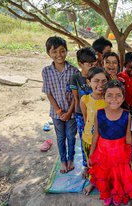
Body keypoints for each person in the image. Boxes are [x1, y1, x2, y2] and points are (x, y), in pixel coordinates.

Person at [88, 80, 132, 206]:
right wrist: (91, 154)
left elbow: (128, 137)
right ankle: (107, 194)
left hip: (120, 154)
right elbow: (95, 136)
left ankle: (117, 196)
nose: (114, 99)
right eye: (109, 95)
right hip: (102, 153)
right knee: (105, 175)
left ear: (123, 97)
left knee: (118, 177)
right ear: (104, 96)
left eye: (118, 95)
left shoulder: (127, 115)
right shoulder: (99, 113)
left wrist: (130, 156)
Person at [42, 36, 78, 173]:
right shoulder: (46, 71)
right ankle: (63, 161)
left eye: (62, 51)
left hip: (72, 112)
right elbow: (48, 92)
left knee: (70, 136)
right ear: (49, 53)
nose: (59, 55)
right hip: (56, 113)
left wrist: (69, 112)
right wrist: (58, 111)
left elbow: (76, 96)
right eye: (54, 52)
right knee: (61, 137)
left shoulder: (74, 71)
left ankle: (71, 160)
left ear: (66, 51)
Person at [80, 67, 109, 194]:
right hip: (88, 139)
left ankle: (104, 182)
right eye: (96, 81)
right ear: (88, 82)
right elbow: (87, 120)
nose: (100, 85)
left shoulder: (109, 101)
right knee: (91, 162)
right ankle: (92, 182)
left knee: (103, 164)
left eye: (104, 81)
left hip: (104, 141)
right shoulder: (84, 100)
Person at [70, 47, 96, 145]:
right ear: (80, 64)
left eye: (94, 64)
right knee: (84, 138)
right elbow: (76, 98)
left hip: (95, 112)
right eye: (90, 65)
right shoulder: (75, 78)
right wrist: (78, 114)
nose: (93, 67)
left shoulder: (96, 76)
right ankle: (86, 160)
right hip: (81, 114)